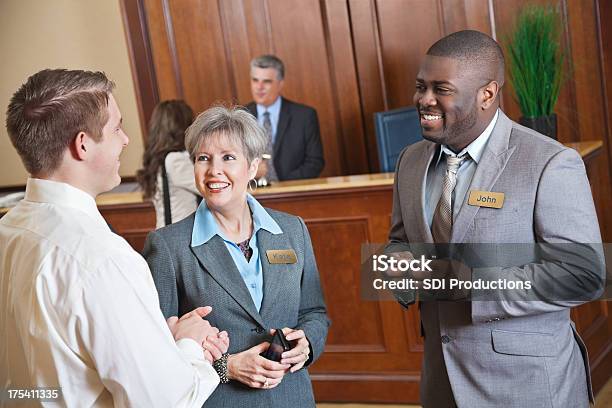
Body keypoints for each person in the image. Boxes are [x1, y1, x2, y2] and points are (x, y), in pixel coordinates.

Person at [385, 31, 604, 407]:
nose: (424, 100)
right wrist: (395, 267)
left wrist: (476, 283)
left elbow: (584, 275)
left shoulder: (549, 162)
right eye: (421, 87)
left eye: (442, 89)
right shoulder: (410, 161)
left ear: (487, 94)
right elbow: (400, 242)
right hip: (441, 382)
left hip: (527, 385)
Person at [1, 69, 229, 407]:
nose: (125, 140)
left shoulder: (8, 232)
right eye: (117, 128)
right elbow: (163, 402)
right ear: (83, 145)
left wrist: (153, 343)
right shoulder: (104, 260)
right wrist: (188, 345)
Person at [143, 105, 330, 407]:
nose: (214, 170)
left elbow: (315, 313)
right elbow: (155, 350)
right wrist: (225, 367)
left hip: (292, 398)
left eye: (228, 157)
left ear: (253, 167)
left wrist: (306, 344)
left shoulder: (292, 230)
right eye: (203, 158)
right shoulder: (167, 246)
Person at [246, 54, 324, 182]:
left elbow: (315, 162)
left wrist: (282, 185)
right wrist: (250, 172)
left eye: (266, 81)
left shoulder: (304, 116)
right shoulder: (240, 116)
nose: (259, 87)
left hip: (293, 192)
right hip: (251, 195)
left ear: (280, 84)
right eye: (255, 80)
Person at [137, 100, 200, 228]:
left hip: (167, 232)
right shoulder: (176, 160)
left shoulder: (158, 158)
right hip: (180, 235)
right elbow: (208, 188)